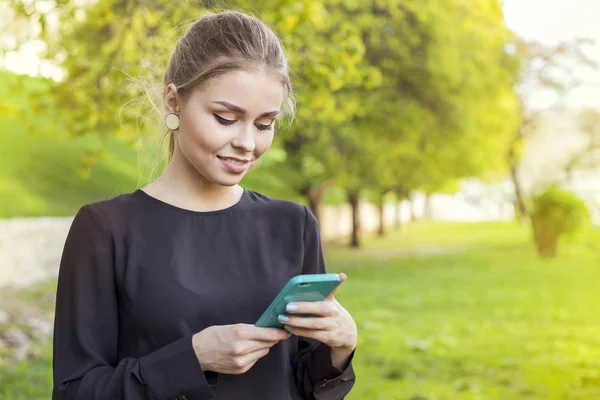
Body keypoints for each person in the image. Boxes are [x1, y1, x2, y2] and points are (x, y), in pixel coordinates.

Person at [52, 11, 357, 400]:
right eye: (226, 118)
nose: (248, 142)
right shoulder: (104, 229)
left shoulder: (293, 225)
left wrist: (339, 350)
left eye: (264, 124)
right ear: (174, 100)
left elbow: (300, 385)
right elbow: (75, 391)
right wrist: (190, 359)